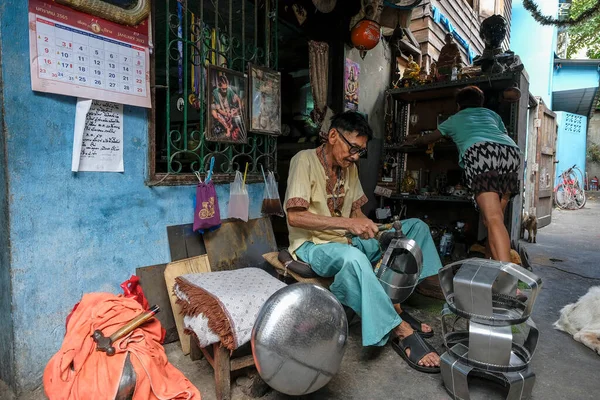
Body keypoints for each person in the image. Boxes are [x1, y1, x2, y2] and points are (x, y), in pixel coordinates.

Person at [284, 111, 443, 373]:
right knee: (355, 260)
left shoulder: (350, 169)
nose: (356, 156)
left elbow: (356, 214)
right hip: (313, 245)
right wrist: (349, 225)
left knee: (416, 228)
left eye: (361, 151)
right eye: (353, 148)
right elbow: (295, 217)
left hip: (346, 239)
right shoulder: (304, 161)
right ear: (333, 136)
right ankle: (398, 329)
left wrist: (376, 231)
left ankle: (394, 303)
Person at [404, 86, 521, 265]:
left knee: (493, 219)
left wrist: (416, 141)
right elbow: (500, 135)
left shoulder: (454, 119)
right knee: (494, 219)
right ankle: (492, 267)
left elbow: (429, 138)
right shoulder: (491, 114)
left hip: (482, 153)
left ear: (458, 105)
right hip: (510, 153)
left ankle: (508, 281)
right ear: (480, 102)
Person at [211, 75, 243, 139]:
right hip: (221, 112)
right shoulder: (215, 92)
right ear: (219, 86)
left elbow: (238, 99)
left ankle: (229, 128)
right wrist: (227, 114)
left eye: (226, 88)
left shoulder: (229, 90)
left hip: (229, 111)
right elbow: (219, 110)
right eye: (223, 89)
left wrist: (238, 108)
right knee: (215, 115)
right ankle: (227, 129)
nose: (225, 91)